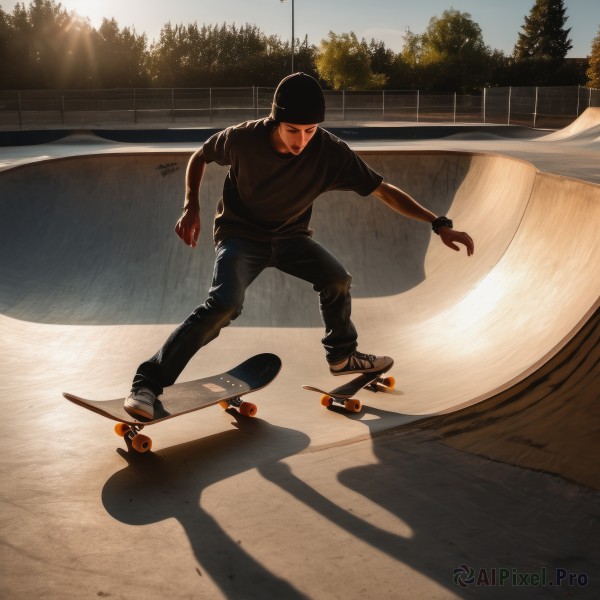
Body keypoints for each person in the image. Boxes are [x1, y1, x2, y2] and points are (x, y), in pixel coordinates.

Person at [124, 73, 474, 419]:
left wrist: (438, 223)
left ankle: (342, 355)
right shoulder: (243, 138)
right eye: (292, 130)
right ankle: (147, 383)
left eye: (309, 131)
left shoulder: (330, 151)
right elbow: (200, 156)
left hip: (292, 239)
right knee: (224, 305)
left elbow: (382, 190)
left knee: (337, 279)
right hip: (240, 236)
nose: (301, 140)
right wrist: (191, 205)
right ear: (275, 121)